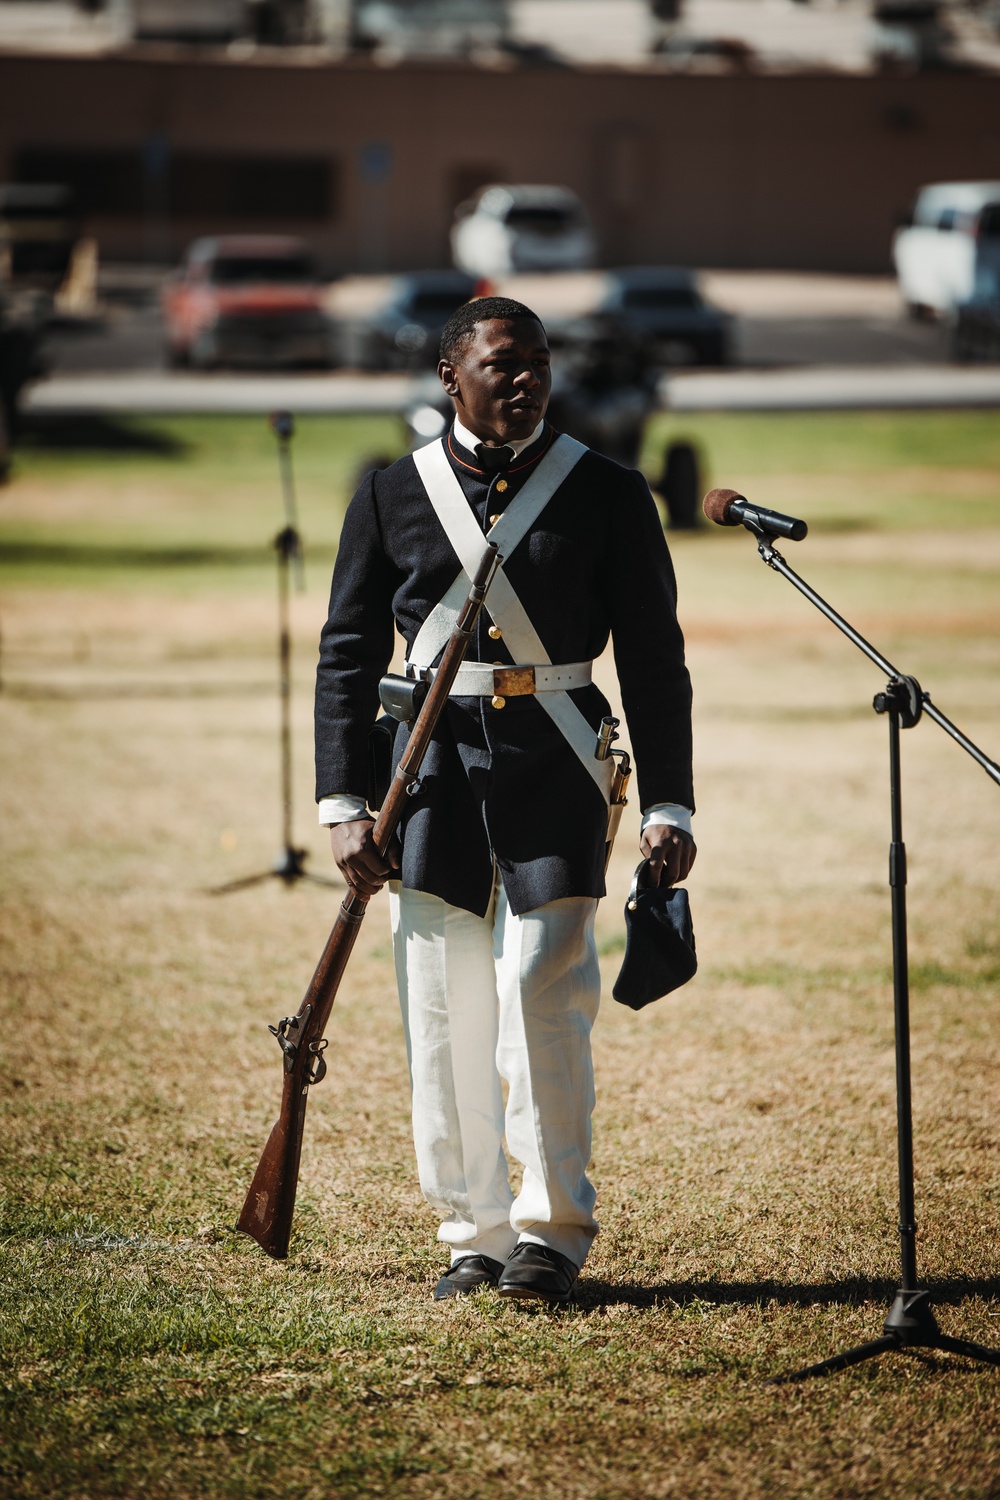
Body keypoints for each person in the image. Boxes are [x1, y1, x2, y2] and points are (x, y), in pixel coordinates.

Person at [315, 297, 695, 1304]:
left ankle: (550, 1231)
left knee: (544, 993)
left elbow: (655, 663)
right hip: (427, 773)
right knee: (441, 1006)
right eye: (500, 362)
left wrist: (672, 805)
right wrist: (344, 799)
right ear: (452, 374)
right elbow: (347, 655)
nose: (524, 378)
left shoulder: (609, 493)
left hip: (558, 758)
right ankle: (471, 1235)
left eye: (537, 361)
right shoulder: (392, 493)